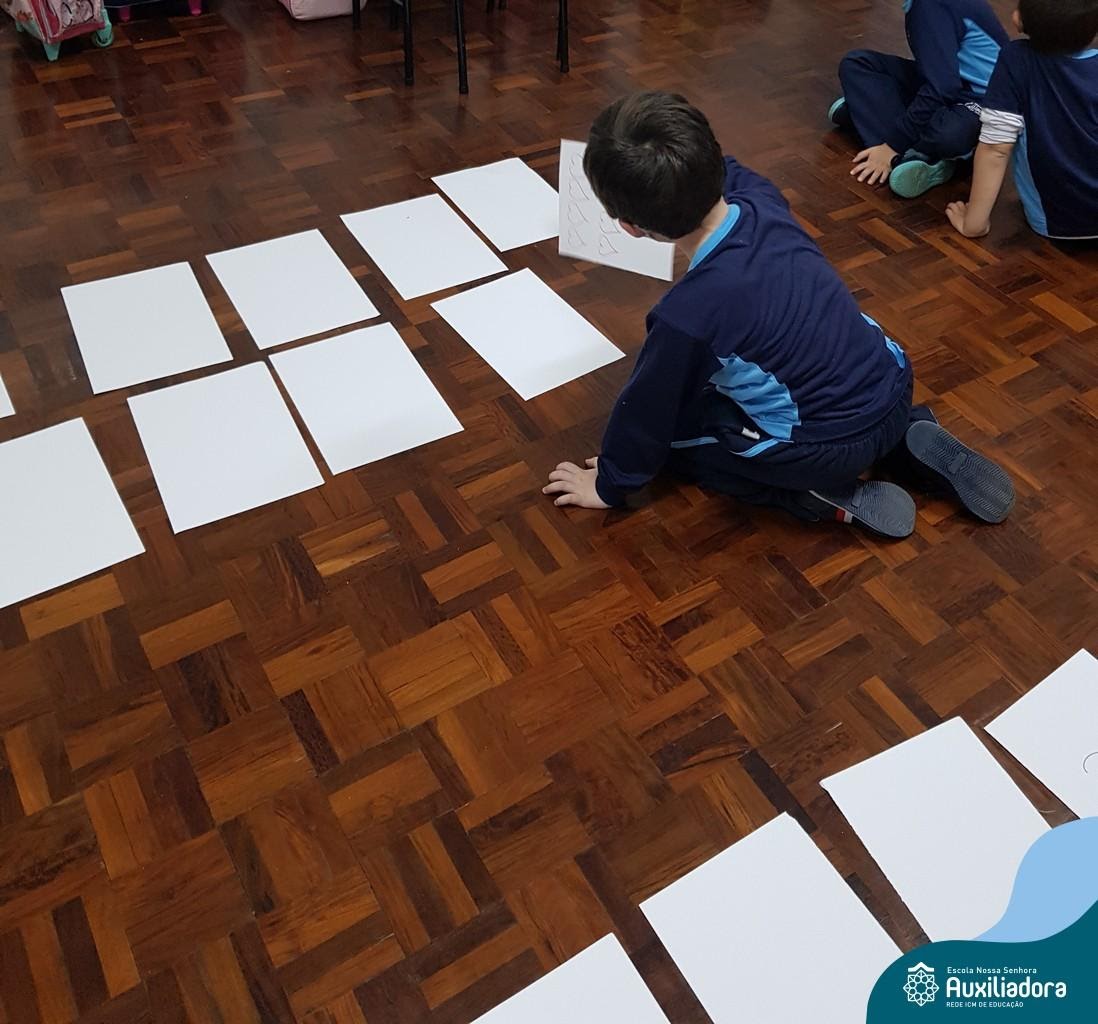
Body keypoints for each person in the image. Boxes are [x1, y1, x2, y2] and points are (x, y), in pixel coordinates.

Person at [543, 92, 1014, 537]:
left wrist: (610, 483)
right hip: (895, 384)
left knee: (679, 442)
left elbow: (647, 413)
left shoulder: (686, 317)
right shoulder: (760, 196)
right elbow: (717, 167)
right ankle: (906, 438)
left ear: (631, 228)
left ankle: (813, 496)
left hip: (827, 449)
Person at [946, 0, 1098, 240]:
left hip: (1059, 223)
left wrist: (974, 223)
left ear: (1018, 20)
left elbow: (996, 149)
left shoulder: (1017, 60)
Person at [831, 0, 1009, 198]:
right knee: (857, 64)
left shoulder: (930, 7)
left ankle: (876, 125)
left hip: (983, 101)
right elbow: (940, 77)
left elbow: (943, 88)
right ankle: (913, 151)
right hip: (951, 82)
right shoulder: (923, 5)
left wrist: (892, 146)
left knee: (948, 136)